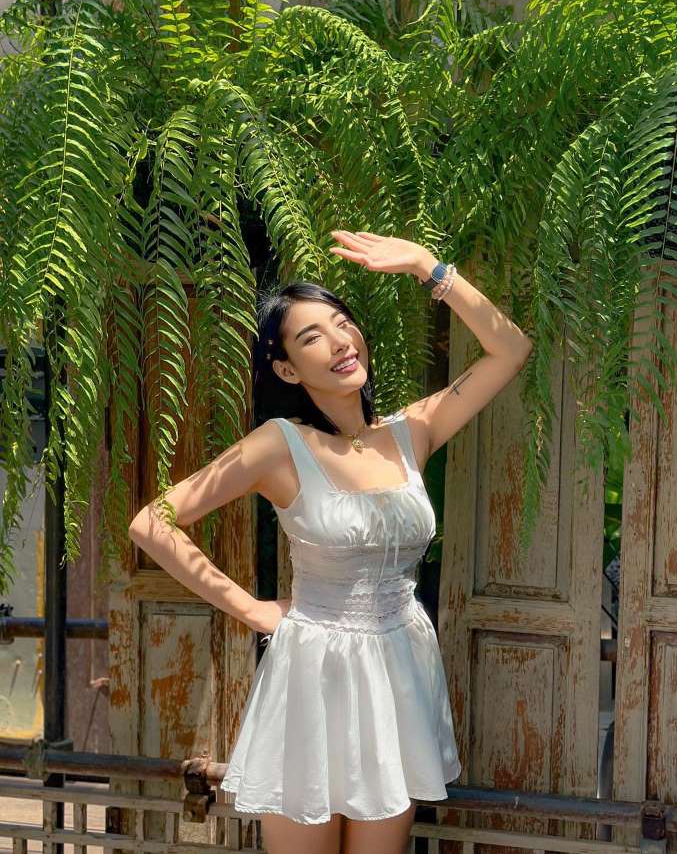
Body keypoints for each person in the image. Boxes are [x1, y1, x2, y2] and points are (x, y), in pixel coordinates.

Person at [128, 230, 533, 854]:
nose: (340, 340)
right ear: (287, 367)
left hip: (397, 671)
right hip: (314, 675)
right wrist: (254, 609)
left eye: (343, 324)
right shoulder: (279, 443)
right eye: (312, 335)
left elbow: (509, 348)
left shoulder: (410, 433)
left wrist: (429, 267)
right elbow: (152, 521)